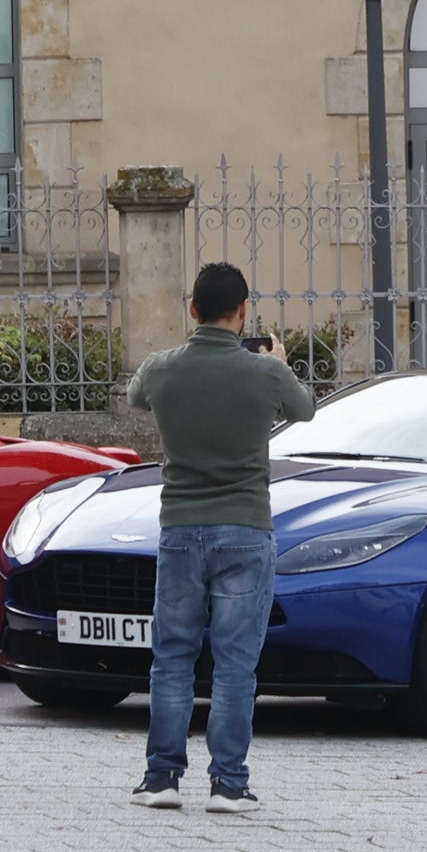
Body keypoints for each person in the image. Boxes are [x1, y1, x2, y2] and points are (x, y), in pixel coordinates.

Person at [121, 262, 311, 814]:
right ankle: (228, 783)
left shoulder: (162, 368)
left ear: (192, 310)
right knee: (234, 663)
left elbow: (136, 395)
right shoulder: (263, 372)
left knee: (172, 657)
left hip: (179, 528)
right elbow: (305, 407)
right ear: (244, 311)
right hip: (246, 530)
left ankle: (161, 778)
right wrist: (275, 362)